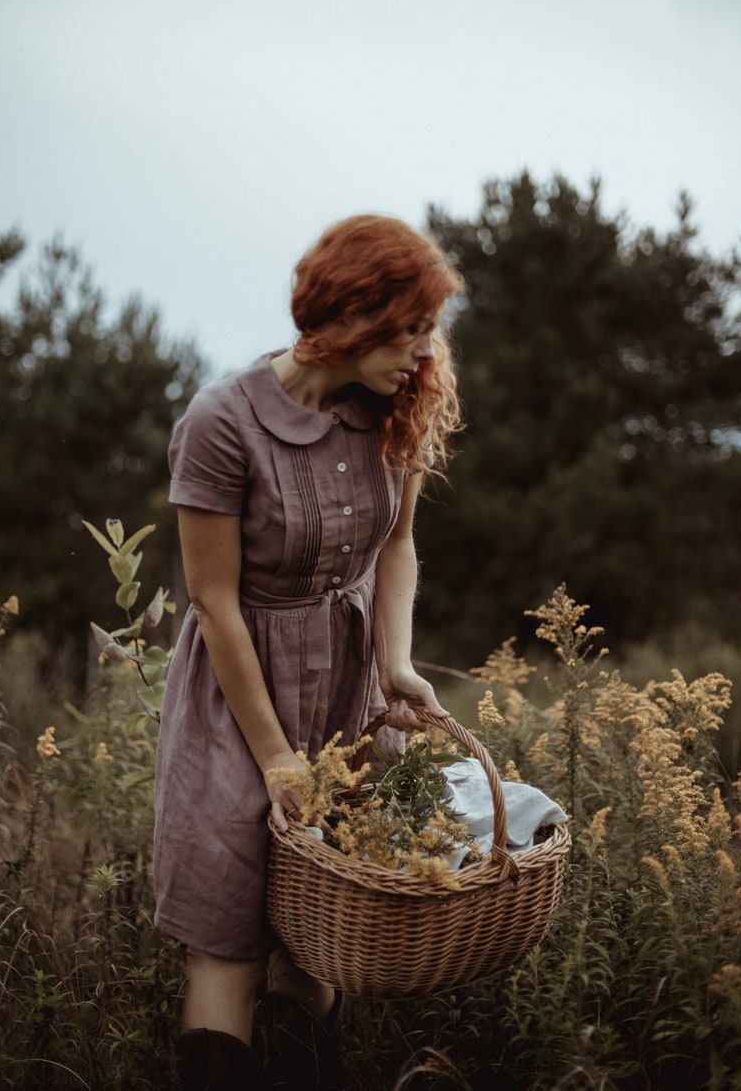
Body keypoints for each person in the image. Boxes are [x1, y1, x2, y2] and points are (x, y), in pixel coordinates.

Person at [153, 214, 463, 1089]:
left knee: (321, 937)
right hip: (241, 694)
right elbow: (214, 600)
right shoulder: (222, 421)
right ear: (354, 313)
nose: (422, 352)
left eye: (428, 329)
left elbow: (396, 546)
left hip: (348, 681)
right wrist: (279, 760)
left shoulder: (395, 406)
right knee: (231, 941)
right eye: (409, 329)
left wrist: (396, 664)